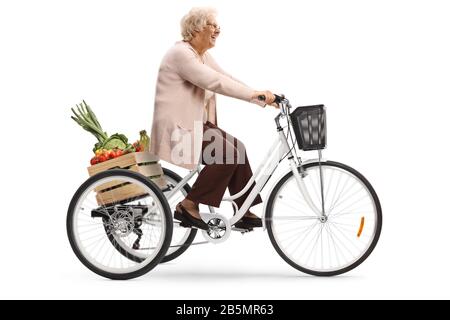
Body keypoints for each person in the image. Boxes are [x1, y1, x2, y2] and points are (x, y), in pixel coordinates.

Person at [150, 7, 277, 230]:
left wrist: (260, 96)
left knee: (239, 148)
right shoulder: (181, 54)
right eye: (213, 25)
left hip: (195, 126)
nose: (218, 30)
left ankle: (243, 208)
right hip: (178, 131)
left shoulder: (202, 55)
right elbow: (213, 82)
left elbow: (224, 77)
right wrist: (254, 96)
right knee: (227, 153)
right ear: (197, 28)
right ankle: (188, 205)